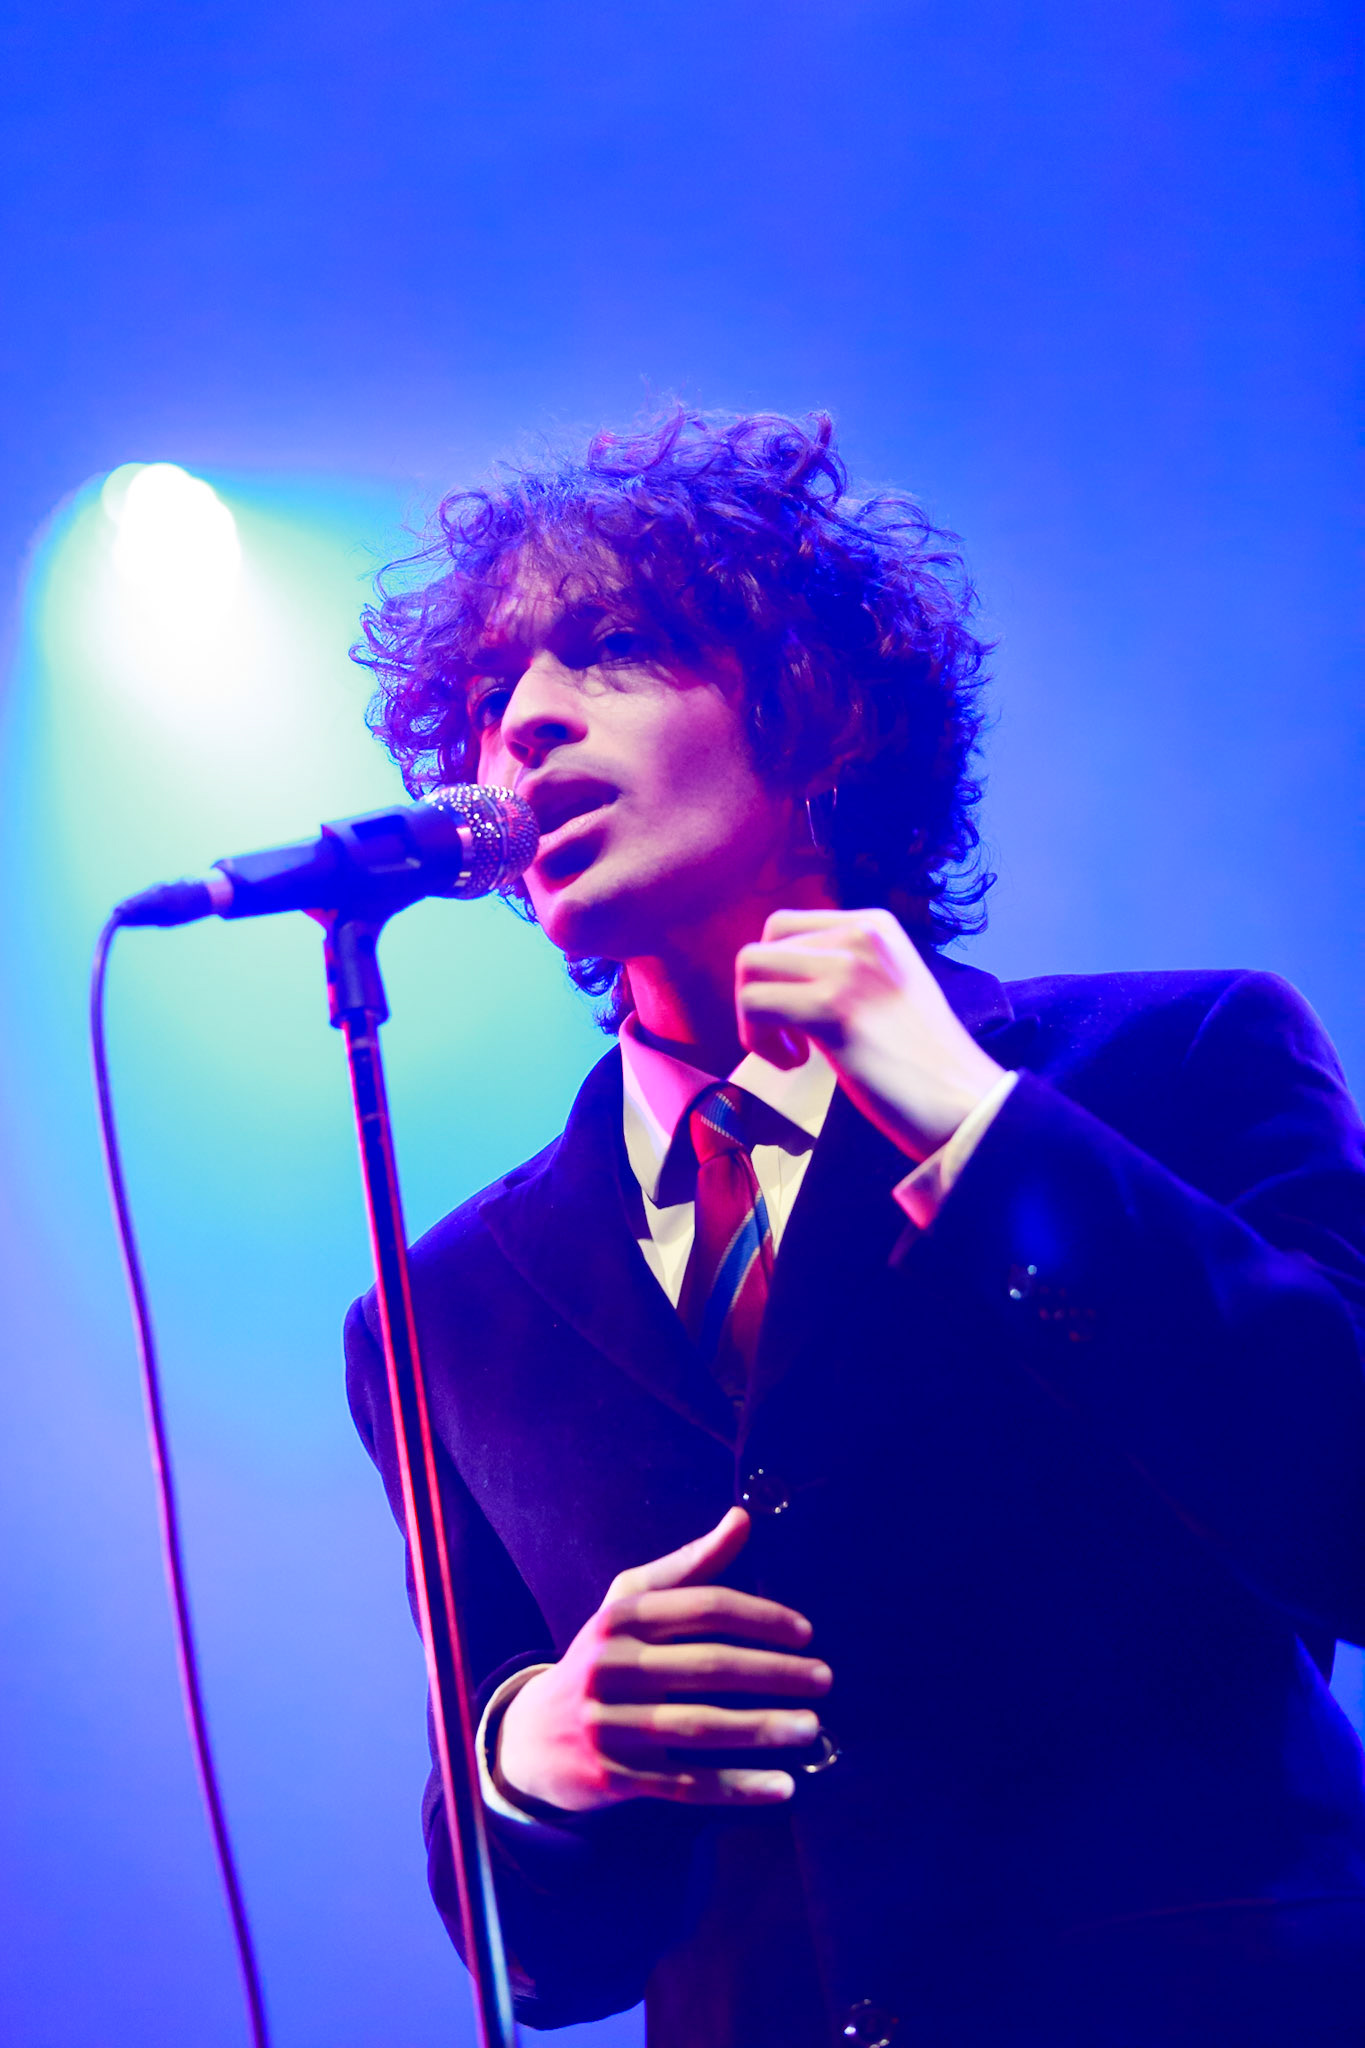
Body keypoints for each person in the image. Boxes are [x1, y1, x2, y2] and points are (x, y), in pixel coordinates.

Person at [345, 410, 1365, 2046]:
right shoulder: (448, 1304)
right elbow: (544, 1967)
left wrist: (982, 1130)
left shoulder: (1177, 1062)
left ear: (815, 708)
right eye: (484, 699)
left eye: (609, 648)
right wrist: (535, 1763)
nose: (523, 722)